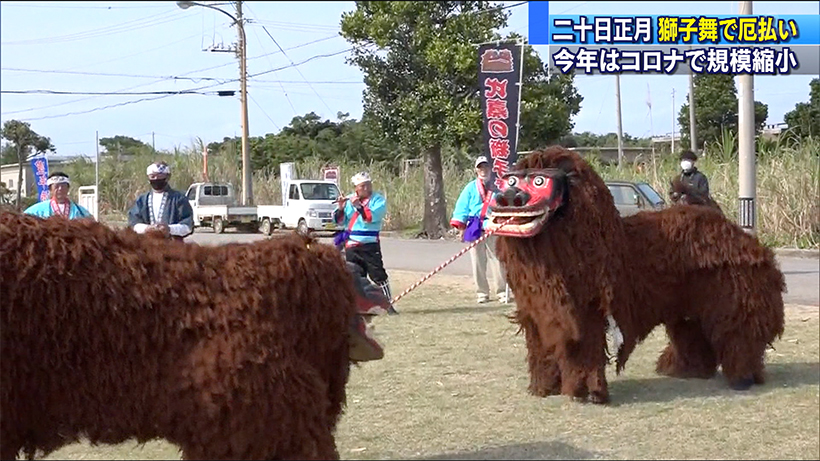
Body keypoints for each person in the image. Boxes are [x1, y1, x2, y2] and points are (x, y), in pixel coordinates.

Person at [333, 171, 398, 315]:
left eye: (369, 185)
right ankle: (360, 306)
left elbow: (371, 217)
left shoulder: (378, 200)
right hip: (351, 245)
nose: (367, 188)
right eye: (363, 186)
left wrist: (359, 207)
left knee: (378, 275)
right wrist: (341, 208)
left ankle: (388, 304)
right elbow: (339, 222)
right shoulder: (349, 200)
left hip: (369, 244)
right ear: (356, 188)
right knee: (356, 277)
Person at [450, 156, 509, 304]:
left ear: (491, 169)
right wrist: (461, 227)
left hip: (493, 224)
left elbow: (506, 204)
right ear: (476, 170)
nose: (484, 170)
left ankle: (501, 291)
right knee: (477, 262)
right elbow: (462, 207)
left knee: (498, 260)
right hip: (474, 226)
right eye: (480, 167)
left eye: (486, 167)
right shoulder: (470, 188)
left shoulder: (499, 186)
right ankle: (482, 292)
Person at [127, 161, 194, 242]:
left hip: (173, 246)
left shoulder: (179, 198)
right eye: (153, 176)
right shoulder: (142, 200)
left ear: (167, 177)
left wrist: (169, 229)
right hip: (146, 245)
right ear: (148, 178)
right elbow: (133, 223)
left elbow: (188, 226)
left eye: (160, 176)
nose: (156, 179)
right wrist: (147, 228)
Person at [24, 171, 93, 220]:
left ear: (68, 188)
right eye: (56, 186)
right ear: (50, 189)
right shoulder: (37, 211)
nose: (60, 189)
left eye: (63, 186)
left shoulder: (80, 211)